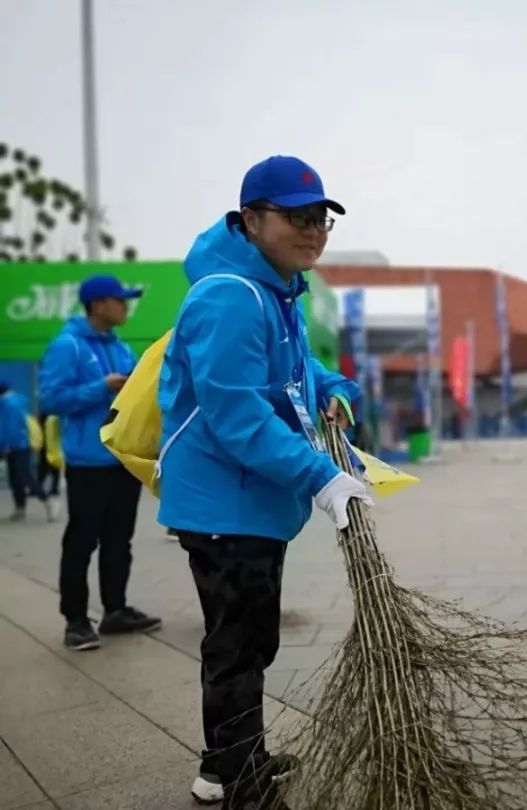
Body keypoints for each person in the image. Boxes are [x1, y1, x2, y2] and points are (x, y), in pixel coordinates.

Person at [158, 155, 367, 809]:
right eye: (298, 216)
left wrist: (331, 386)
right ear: (251, 219)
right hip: (226, 502)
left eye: (322, 218)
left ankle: (230, 760)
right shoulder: (228, 296)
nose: (314, 229)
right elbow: (236, 413)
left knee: (251, 640)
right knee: (239, 647)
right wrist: (321, 476)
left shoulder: (275, 292)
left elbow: (294, 367)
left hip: (251, 499)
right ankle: (240, 785)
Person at [39, 275, 160, 652]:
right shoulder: (68, 346)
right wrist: (101, 387)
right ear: (97, 304)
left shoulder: (121, 348)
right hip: (87, 462)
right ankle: (75, 621)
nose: (125, 306)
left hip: (120, 459)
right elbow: (52, 400)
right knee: (82, 540)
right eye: (120, 300)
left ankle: (115, 610)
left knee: (118, 540)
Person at [0, 383, 55, 522]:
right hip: (23, 444)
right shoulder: (19, 400)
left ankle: (44, 500)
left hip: (15, 445)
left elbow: (9, 427)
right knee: (18, 476)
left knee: (22, 476)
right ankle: (21, 508)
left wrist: (6, 445)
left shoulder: (7, 404)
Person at [36, 413, 62, 498]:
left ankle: (41, 487)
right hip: (51, 445)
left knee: (48, 466)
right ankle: (52, 488)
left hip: (50, 445)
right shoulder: (55, 415)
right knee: (50, 467)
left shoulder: (51, 416)